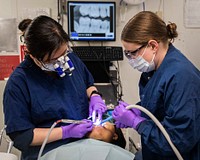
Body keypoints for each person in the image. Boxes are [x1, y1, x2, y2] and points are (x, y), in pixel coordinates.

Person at [3, 15, 107, 160]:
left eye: (64, 53)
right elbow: (22, 136)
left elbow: (87, 83)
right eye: (53, 60)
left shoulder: (72, 60)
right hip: (47, 153)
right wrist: (66, 132)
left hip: (83, 146)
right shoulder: (19, 83)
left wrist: (95, 96)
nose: (62, 62)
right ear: (32, 55)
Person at [112, 11, 200, 160]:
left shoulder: (181, 77)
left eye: (132, 53)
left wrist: (136, 123)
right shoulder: (153, 70)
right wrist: (137, 111)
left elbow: (178, 142)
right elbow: (159, 105)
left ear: (153, 45)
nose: (131, 59)